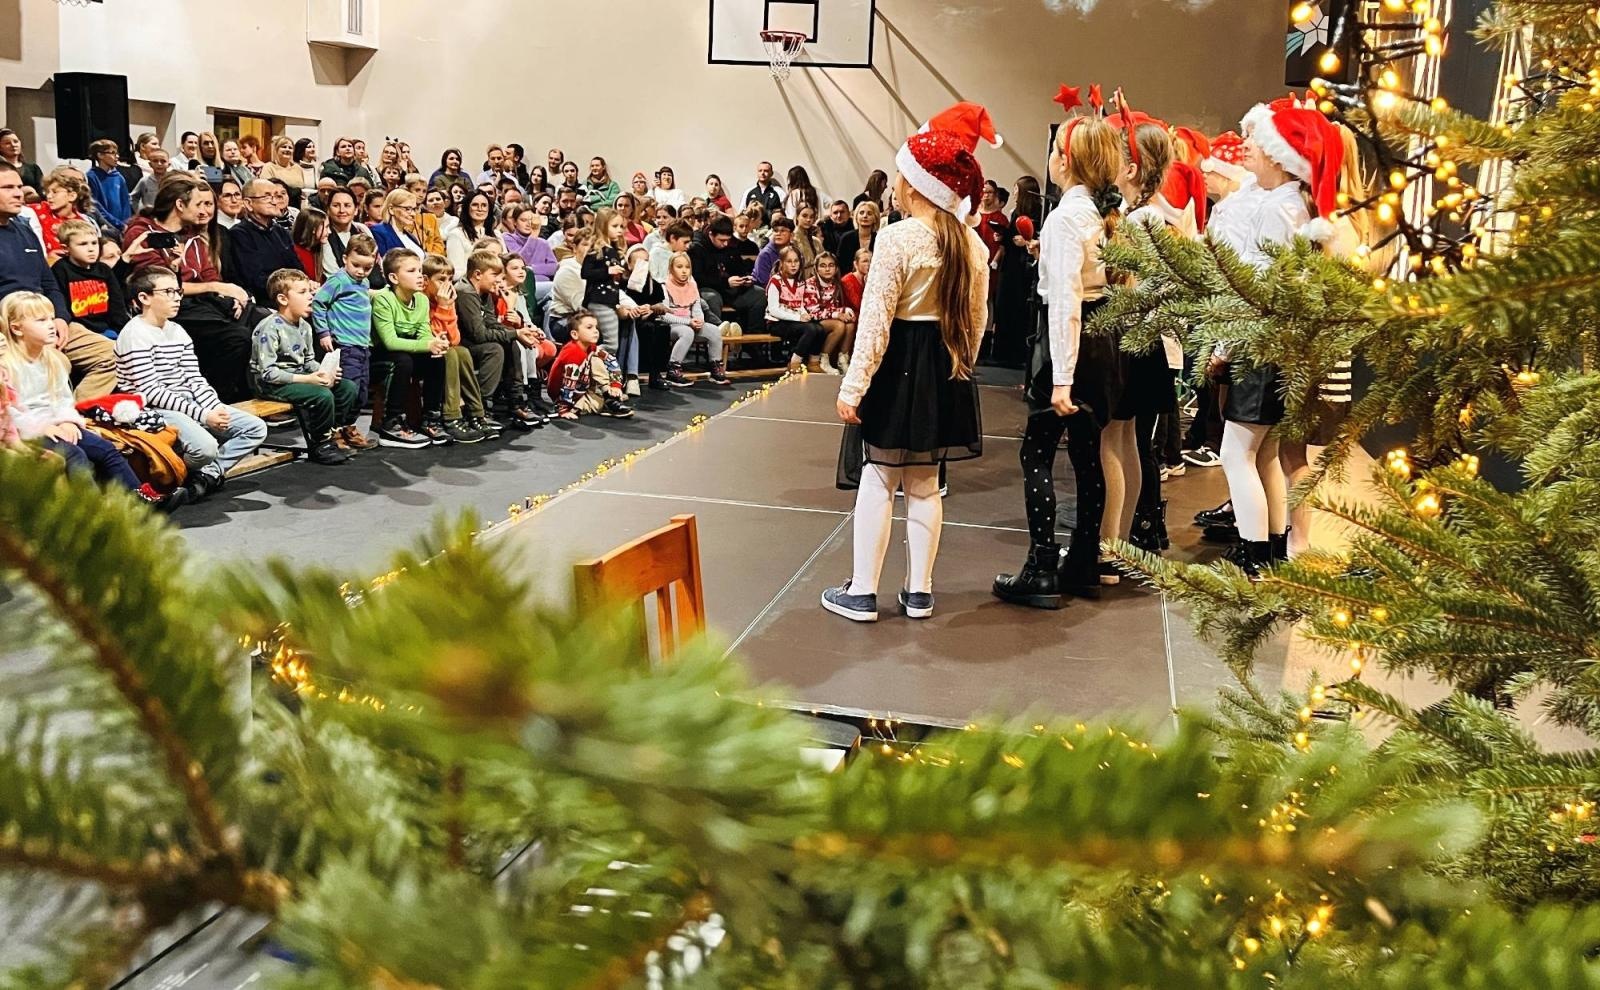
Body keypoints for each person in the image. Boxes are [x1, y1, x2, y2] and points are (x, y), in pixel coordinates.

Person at [824, 105, 993, 623]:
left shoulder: (897, 239)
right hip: (945, 361)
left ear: (915, 185)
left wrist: (853, 387)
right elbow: (978, 316)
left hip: (898, 361)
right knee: (924, 479)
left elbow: (875, 321)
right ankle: (919, 591)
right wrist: (963, 362)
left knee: (879, 473)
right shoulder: (971, 243)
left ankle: (863, 591)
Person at [1205, 104, 1344, 574]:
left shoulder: (1277, 208)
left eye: (1258, 143)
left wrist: (1225, 345)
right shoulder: (1292, 205)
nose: (1248, 149)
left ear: (1280, 155)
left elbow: (1256, 287)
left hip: (1264, 344)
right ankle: (1272, 546)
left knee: (1236, 452)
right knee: (1271, 454)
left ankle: (1253, 553)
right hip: (1285, 346)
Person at [993, 110, 1123, 609]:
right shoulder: (1100, 213)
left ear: (1064, 160)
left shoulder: (1068, 217)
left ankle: (1042, 566)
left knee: (1038, 453)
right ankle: (1084, 562)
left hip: (1073, 345)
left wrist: (1061, 377)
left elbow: (1066, 301)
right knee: (1088, 456)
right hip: (1102, 340)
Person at [1, 291, 171, 505]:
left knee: (105, 449)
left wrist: (66, 420)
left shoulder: (53, 359)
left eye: (52, 318)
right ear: (16, 328)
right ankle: (93, 513)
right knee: (74, 454)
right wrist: (42, 428)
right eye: (41, 320)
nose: (52, 325)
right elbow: (9, 412)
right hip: (25, 431)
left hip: (57, 423)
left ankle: (141, 499)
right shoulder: (7, 366)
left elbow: (63, 399)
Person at [115, 265, 267, 498]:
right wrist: (203, 416)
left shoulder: (177, 330)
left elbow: (194, 377)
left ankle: (207, 475)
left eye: (178, 292)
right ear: (144, 298)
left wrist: (213, 405)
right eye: (168, 292)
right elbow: (151, 392)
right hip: (154, 408)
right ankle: (176, 476)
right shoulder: (134, 334)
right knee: (205, 449)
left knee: (255, 428)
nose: (176, 298)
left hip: (188, 403)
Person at [1100, 114, 1177, 562]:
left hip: (1133, 339)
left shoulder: (1142, 221)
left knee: (1117, 440)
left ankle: (1110, 547)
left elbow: (1134, 286)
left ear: (1131, 169)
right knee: (1128, 441)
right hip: (1142, 340)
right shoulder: (1144, 216)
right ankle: (1120, 542)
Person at [121, 173, 253, 400]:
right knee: (236, 337)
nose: (204, 211)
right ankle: (218, 400)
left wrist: (227, 294)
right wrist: (214, 286)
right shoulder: (142, 233)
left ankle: (252, 394)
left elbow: (209, 273)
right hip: (168, 305)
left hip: (202, 301)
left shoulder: (190, 234)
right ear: (180, 205)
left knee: (258, 319)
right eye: (198, 204)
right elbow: (157, 285)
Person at [0, 163, 118, 399]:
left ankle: (77, 416)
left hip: (47, 320)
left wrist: (61, 319)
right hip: (9, 326)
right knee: (57, 363)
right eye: (7, 187)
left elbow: (49, 283)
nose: (18, 193)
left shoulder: (24, 231)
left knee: (113, 355)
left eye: (19, 186)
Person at [250, 268, 355, 464]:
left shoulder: (305, 326)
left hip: (298, 377)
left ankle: (330, 432)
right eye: (302, 292)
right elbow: (267, 372)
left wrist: (323, 372)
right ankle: (319, 443)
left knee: (347, 387)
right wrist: (308, 379)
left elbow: (307, 361)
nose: (310, 297)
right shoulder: (270, 328)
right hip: (272, 383)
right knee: (321, 395)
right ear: (283, 299)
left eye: (309, 291)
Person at [455, 249, 544, 428]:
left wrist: (520, 332)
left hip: (475, 341)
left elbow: (491, 323)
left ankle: (516, 400)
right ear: (478, 274)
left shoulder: (484, 291)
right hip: (462, 344)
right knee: (494, 349)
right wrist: (514, 333)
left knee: (510, 342)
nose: (498, 279)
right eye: (494, 274)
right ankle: (479, 407)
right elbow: (479, 334)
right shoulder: (465, 292)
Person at [370, 248, 449, 447]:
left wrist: (434, 343)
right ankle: (391, 422)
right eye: (412, 271)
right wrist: (426, 344)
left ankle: (431, 417)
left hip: (406, 353)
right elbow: (390, 342)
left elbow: (423, 333)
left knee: (436, 359)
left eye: (420, 270)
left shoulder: (421, 299)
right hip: (379, 357)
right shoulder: (383, 299)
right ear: (394, 277)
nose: (420, 276)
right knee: (402, 360)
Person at [311, 232, 381, 449]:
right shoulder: (338, 280)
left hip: (362, 346)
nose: (360, 271)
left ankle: (349, 426)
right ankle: (335, 430)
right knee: (348, 389)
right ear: (344, 259)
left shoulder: (363, 282)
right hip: (345, 346)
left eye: (366, 268)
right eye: (356, 265)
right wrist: (323, 332)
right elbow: (318, 303)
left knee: (361, 392)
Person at [421, 254, 492, 444]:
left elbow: (454, 338)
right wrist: (443, 308)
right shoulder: (422, 300)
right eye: (441, 280)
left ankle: (476, 412)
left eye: (449, 280)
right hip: (423, 350)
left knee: (461, 351)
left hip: (443, 346)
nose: (447, 285)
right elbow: (429, 333)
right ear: (426, 281)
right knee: (451, 353)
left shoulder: (446, 301)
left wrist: (446, 307)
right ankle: (451, 416)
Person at [992, 175, 1043, 368]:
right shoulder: (1016, 212)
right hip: (1011, 264)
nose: (1014, 193)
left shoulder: (1037, 212)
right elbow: (1011, 237)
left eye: (1016, 189)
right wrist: (1002, 236)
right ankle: (1002, 353)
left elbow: (1035, 238)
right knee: (1004, 306)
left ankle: (1016, 354)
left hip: (1022, 269)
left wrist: (1026, 241)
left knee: (1018, 309)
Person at [662, 250, 731, 387]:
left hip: (691, 323)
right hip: (673, 325)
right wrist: (688, 322)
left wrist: (699, 320)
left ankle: (715, 368)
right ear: (671, 268)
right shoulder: (665, 286)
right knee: (687, 332)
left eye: (687, 267)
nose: (684, 271)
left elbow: (697, 307)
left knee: (714, 331)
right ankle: (673, 370)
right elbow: (664, 316)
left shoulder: (692, 285)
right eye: (679, 267)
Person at [226, 179, 300, 307]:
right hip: (266, 300)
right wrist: (292, 288)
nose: (274, 201)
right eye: (267, 196)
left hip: (293, 295)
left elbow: (297, 268)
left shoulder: (281, 232)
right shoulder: (239, 235)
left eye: (276, 196)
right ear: (249, 203)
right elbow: (255, 280)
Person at [546, 310, 632, 419]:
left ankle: (608, 396)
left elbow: (611, 362)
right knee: (595, 405)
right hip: (567, 397)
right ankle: (604, 404)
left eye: (596, 327)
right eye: (589, 327)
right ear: (574, 334)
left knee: (596, 358)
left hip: (582, 390)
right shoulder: (573, 352)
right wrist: (564, 409)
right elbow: (568, 383)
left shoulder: (591, 348)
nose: (596, 331)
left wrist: (615, 385)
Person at [51, 219, 129, 339]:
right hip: (80, 332)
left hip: (108, 330)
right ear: (66, 249)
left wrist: (122, 332)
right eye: (83, 244)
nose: (91, 249)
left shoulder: (103, 269)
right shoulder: (60, 270)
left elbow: (117, 305)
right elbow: (63, 305)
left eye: (94, 243)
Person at [689, 215, 764, 338]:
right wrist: (725, 282)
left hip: (733, 290)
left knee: (759, 294)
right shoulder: (698, 248)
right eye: (721, 240)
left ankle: (753, 339)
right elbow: (698, 277)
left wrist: (745, 278)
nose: (725, 244)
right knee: (712, 298)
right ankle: (715, 338)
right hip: (710, 288)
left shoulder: (731, 245)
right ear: (711, 234)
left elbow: (740, 268)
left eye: (727, 240)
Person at [765, 245, 826, 373]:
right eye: (789, 261)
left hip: (794, 320)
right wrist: (798, 317)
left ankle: (814, 362)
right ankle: (795, 362)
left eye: (796, 261)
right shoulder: (775, 281)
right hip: (777, 322)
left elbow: (800, 304)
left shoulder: (800, 282)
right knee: (809, 329)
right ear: (782, 263)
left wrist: (804, 314)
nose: (793, 265)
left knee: (819, 328)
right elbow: (774, 309)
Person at [500, 205, 557, 308]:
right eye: (523, 220)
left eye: (531, 220)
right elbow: (521, 260)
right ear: (515, 222)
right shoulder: (508, 238)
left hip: (544, 287)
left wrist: (531, 269)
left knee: (551, 307)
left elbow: (553, 268)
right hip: (523, 285)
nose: (528, 224)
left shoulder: (543, 243)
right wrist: (534, 235)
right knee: (557, 288)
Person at [30, 169, 91, 261]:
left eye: (55, 192)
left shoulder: (81, 223)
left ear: (72, 196)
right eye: (47, 192)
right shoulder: (35, 210)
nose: (49, 196)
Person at [809, 251, 854, 374]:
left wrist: (845, 311)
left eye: (831, 265)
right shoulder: (811, 284)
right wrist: (837, 314)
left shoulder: (835, 283)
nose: (827, 269)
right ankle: (823, 360)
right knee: (839, 325)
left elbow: (833, 307)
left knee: (850, 325)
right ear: (816, 268)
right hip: (812, 321)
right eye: (823, 266)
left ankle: (843, 360)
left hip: (827, 317)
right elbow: (814, 312)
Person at [86, 140, 132, 232]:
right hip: (106, 226)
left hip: (124, 227)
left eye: (117, 153)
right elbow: (96, 205)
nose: (117, 156)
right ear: (100, 155)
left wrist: (126, 223)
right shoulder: (92, 177)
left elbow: (126, 203)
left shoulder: (119, 177)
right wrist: (117, 223)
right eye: (113, 153)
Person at [447, 190, 496, 274]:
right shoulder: (456, 235)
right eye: (475, 205)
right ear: (467, 208)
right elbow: (456, 272)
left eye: (484, 205)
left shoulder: (497, 235)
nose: (480, 209)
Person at [835, 200, 880, 268]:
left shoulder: (879, 239)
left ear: (875, 218)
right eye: (861, 213)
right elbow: (839, 265)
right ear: (856, 217)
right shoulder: (846, 238)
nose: (865, 216)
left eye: (869, 213)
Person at [753, 216, 795, 287]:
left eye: (783, 231)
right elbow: (764, 282)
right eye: (775, 230)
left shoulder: (795, 251)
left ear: (791, 235)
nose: (778, 233)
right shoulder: (765, 254)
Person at [0, 129, 43, 199]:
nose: (13, 145)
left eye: (16, 141)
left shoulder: (33, 168)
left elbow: (41, 192)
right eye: (7, 143)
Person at [130, 148, 173, 213]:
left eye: (163, 161)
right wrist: (139, 211)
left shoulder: (173, 181)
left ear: (169, 164)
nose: (159, 164)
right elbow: (133, 198)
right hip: (150, 217)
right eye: (155, 161)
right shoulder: (144, 181)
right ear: (150, 164)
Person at [793, 203, 823, 276]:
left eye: (811, 217)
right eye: (804, 216)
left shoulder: (816, 241)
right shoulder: (792, 240)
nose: (808, 219)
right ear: (797, 216)